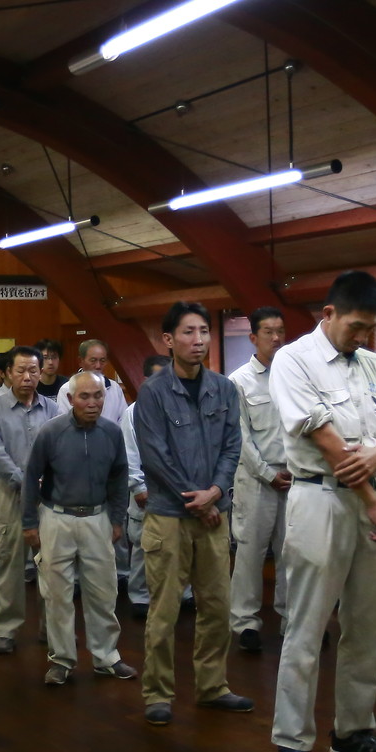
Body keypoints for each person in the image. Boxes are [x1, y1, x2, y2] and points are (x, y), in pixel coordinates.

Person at [268, 270, 376, 752]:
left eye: (371, 329)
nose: (363, 339)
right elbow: (328, 442)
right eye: (355, 327)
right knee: (307, 627)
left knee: (371, 625)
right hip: (321, 498)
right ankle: (291, 741)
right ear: (327, 314)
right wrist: (374, 501)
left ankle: (353, 732)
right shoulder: (293, 359)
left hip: (373, 497)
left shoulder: (372, 363)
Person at [133, 303, 252, 726]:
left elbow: (232, 446)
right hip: (170, 515)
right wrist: (197, 501)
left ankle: (212, 686)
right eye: (188, 332)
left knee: (217, 606)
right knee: (164, 610)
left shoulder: (223, 388)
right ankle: (158, 691)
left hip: (214, 514)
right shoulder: (152, 391)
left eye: (204, 331)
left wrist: (216, 492)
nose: (199, 339)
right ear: (168, 340)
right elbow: (156, 457)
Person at [23, 370, 135, 686]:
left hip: (98, 519)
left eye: (98, 395)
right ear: (71, 399)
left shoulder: (112, 433)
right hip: (56, 518)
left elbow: (119, 477)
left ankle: (106, 657)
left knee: (103, 591)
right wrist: (29, 524)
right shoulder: (51, 432)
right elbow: (31, 477)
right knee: (57, 594)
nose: (92, 402)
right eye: (84, 396)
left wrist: (117, 519)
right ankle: (61, 660)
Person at [0, 345, 55, 654]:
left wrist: (44, 484)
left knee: (51, 565)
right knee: (9, 563)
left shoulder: (53, 409)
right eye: (21, 371)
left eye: (33, 370)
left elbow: (60, 449)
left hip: (48, 499)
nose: (27, 377)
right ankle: (6, 630)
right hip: (11, 496)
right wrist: (25, 483)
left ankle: (52, 629)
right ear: (7, 373)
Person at [227, 307, 290, 653]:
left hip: (295, 479)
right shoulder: (238, 381)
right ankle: (245, 622)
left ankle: (290, 618)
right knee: (251, 554)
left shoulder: (295, 377)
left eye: (281, 331)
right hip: (256, 481)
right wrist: (268, 474)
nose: (277, 338)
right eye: (269, 331)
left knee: (291, 554)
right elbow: (240, 437)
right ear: (253, 337)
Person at [120, 354, 170, 620]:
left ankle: (180, 592)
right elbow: (129, 454)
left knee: (175, 544)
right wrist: (138, 487)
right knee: (142, 543)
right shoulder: (133, 412)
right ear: (146, 380)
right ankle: (139, 594)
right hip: (145, 490)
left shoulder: (178, 408)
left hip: (173, 491)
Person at [54, 339, 127, 424]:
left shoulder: (114, 387)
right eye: (93, 360)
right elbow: (63, 423)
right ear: (81, 361)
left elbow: (123, 420)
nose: (98, 366)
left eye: (102, 361)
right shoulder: (67, 388)